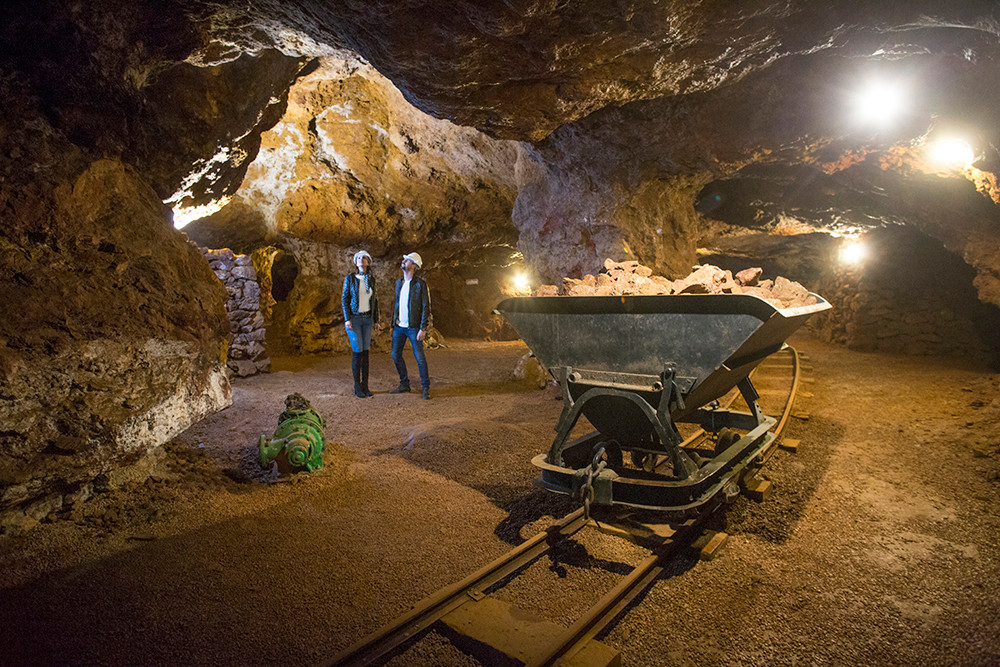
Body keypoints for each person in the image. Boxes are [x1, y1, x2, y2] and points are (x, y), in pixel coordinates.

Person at [389, 252, 432, 399]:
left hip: (413, 327)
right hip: (399, 327)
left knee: (419, 357)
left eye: (407, 260)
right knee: (395, 354)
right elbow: (396, 304)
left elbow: (426, 307)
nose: (403, 261)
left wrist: (423, 328)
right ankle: (404, 384)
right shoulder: (399, 283)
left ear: (413, 265)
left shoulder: (420, 284)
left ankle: (425, 387)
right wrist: (392, 324)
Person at [342, 250, 379, 398]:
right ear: (355, 262)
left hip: (367, 319)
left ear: (368, 262)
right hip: (355, 319)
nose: (361, 260)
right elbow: (345, 298)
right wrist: (347, 318)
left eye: (364, 258)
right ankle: (357, 386)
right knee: (357, 351)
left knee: (365, 352)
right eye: (358, 258)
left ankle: (366, 385)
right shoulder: (350, 279)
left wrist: (376, 320)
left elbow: (375, 301)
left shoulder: (371, 279)